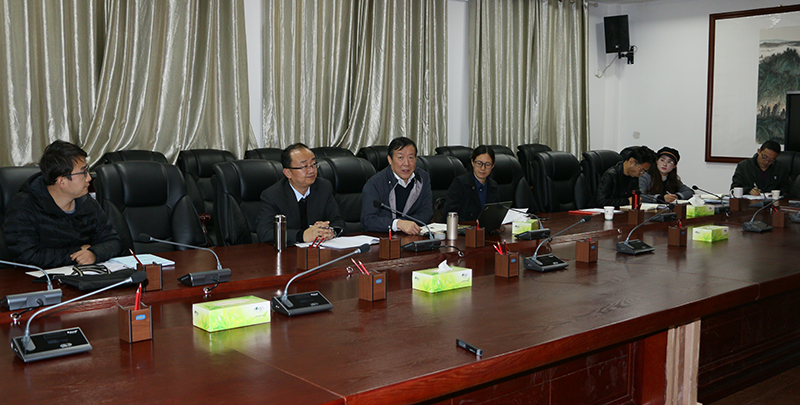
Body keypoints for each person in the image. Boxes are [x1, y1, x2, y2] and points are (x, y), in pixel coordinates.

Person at [3, 140, 122, 268]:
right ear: (62, 182)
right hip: (39, 278)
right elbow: (26, 256)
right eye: (83, 173)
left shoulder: (87, 203)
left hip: (82, 275)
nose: (88, 178)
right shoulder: (24, 206)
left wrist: (93, 254)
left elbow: (113, 241)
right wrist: (77, 253)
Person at [256, 143, 345, 246]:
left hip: (319, 250)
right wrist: (302, 236)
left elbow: (338, 221)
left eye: (313, 164)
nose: (311, 170)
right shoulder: (273, 195)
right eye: (304, 166)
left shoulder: (323, 187)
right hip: (288, 253)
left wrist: (330, 232)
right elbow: (265, 232)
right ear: (288, 173)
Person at [361, 137, 432, 234]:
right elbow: (368, 221)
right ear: (390, 160)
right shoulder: (375, 183)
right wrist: (397, 224)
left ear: (416, 159)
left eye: (411, 157)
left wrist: (407, 224)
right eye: (400, 158)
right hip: (383, 238)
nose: (406, 163)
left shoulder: (422, 178)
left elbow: (427, 213)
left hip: (413, 236)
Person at [442, 145, 500, 221]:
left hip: (486, 228)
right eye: (479, 163)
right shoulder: (459, 183)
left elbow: (496, 213)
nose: (483, 168)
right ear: (472, 162)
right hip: (464, 227)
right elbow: (449, 214)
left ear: (493, 166)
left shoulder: (493, 185)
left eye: (487, 164)